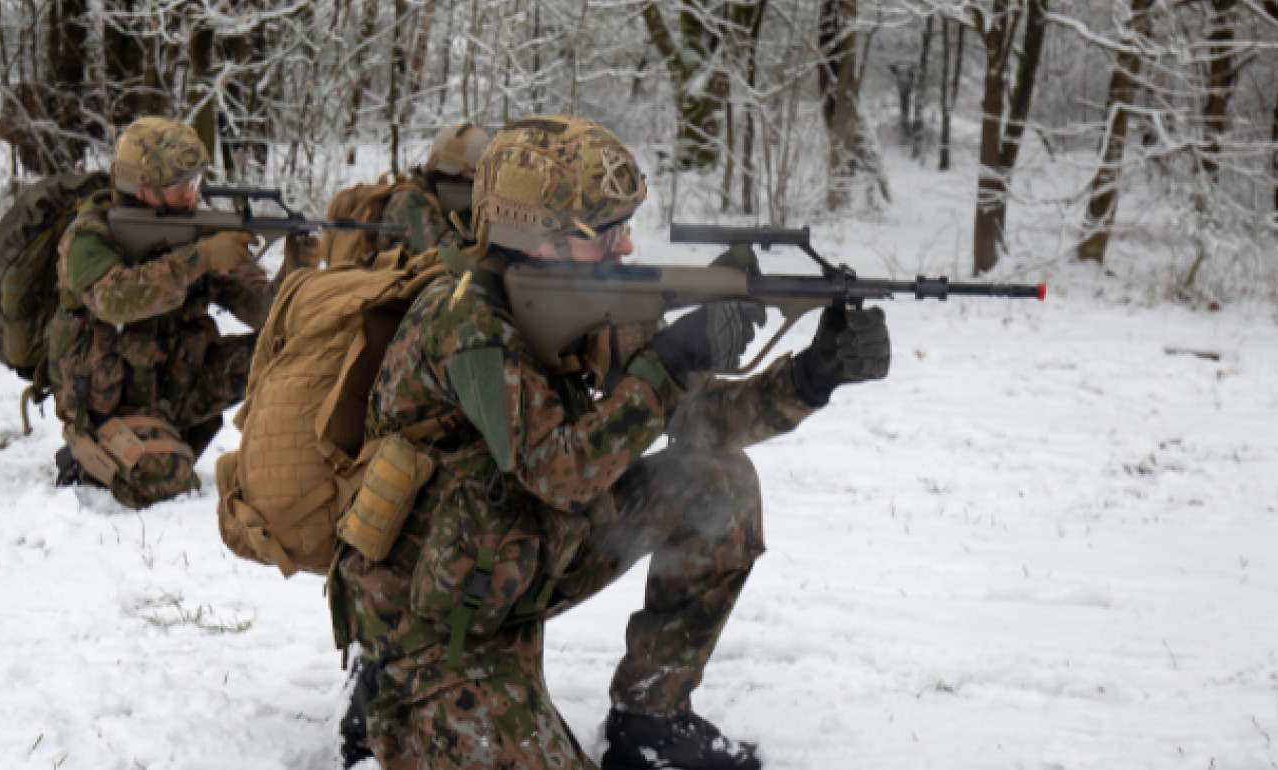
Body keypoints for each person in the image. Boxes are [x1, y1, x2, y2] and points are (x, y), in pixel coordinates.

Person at [334, 115, 893, 769]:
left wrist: (810, 376)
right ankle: (390, 693)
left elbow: (697, 423)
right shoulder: (462, 322)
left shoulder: (581, 305)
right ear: (541, 237)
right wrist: (667, 367)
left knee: (717, 484)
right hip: (437, 621)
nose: (626, 247)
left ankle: (649, 718)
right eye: (607, 232)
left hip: (521, 562)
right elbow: (558, 470)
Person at [45, 117, 273, 509]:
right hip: (111, 405)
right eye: (177, 185)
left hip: (179, 388)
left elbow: (266, 312)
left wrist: (300, 275)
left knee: (280, 349)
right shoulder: (91, 235)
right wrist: (198, 260)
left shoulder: (196, 231)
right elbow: (114, 299)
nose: (190, 194)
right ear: (142, 187)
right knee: (168, 479)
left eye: (194, 182)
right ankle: (89, 458)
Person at [383, 123, 492, 254]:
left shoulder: (441, 191)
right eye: (476, 172)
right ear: (455, 169)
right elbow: (444, 252)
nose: (480, 179)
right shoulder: (410, 200)